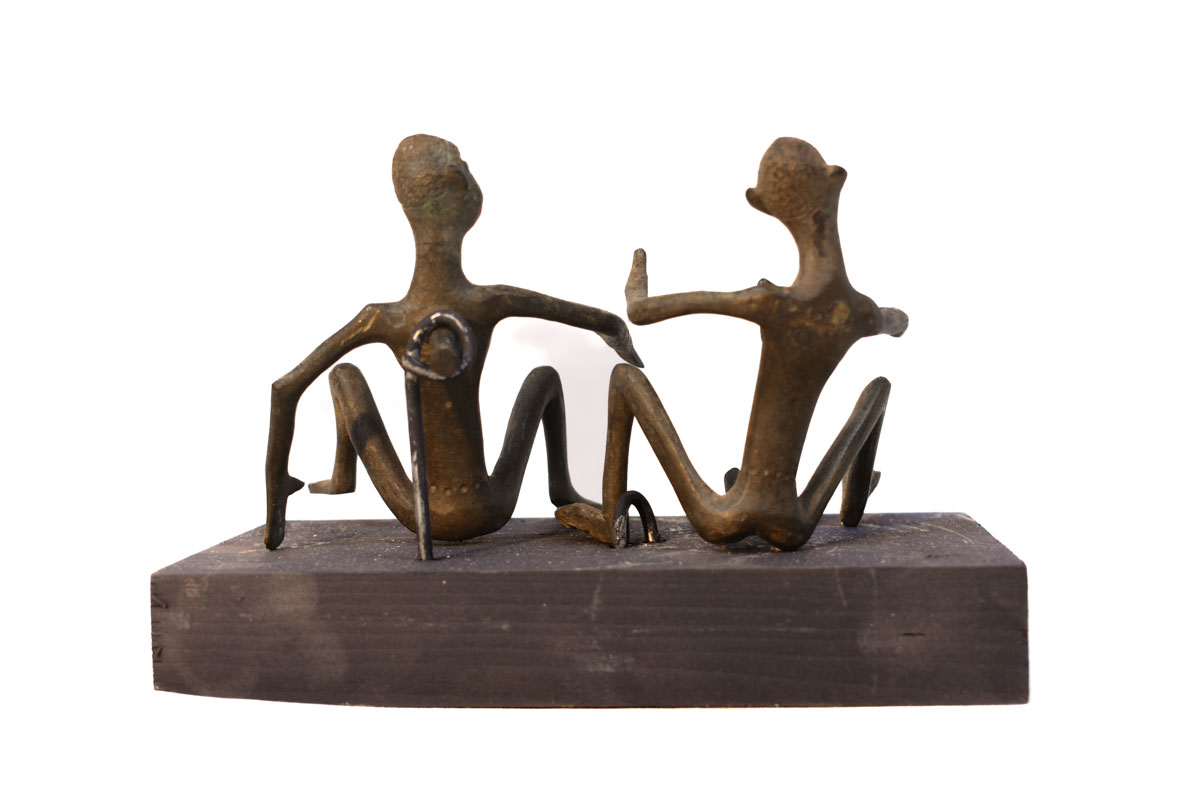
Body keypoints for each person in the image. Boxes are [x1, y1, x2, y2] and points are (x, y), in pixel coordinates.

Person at [264, 135, 641, 550]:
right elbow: (606, 322)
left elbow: (285, 389)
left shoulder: (382, 318)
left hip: (422, 514)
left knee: (344, 377)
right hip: (493, 505)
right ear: (458, 183)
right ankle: (562, 487)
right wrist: (622, 339)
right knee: (545, 379)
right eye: (465, 165)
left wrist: (275, 503)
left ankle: (343, 477)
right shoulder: (490, 301)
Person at [555, 138, 907, 550]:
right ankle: (854, 500)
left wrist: (636, 280)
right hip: (795, 523)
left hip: (720, 518)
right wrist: (879, 317)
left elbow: (641, 312)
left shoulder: (770, 303)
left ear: (761, 203)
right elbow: (899, 322)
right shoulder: (860, 312)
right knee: (878, 391)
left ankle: (608, 520)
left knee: (624, 377)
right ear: (835, 181)